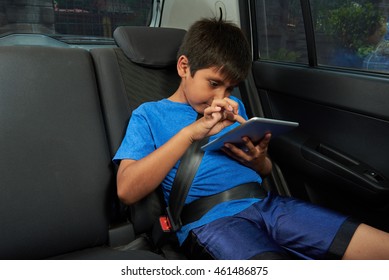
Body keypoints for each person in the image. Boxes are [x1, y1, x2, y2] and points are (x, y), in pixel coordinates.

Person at [113, 18, 389, 260]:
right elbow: (127, 189)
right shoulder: (149, 115)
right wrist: (190, 133)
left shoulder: (235, 108)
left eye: (230, 87)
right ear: (184, 67)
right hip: (212, 222)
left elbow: (265, 170)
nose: (222, 97)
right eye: (213, 83)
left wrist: (259, 162)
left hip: (269, 206)